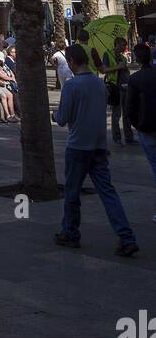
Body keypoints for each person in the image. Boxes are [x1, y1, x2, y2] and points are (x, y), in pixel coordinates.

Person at [53, 43, 137, 256]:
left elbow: (62, 119)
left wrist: (54, 115)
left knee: (72, 192)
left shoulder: (72, 86)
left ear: (71, 62)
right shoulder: (100, 85)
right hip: (99, 145)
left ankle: (71, 233)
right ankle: (126, 237)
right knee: (108, 193)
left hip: (78, 146)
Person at [127, 43, 156, 216]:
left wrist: (137, 125)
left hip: (147, 128)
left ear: (136, 59)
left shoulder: (135, 79)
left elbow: (130, 107)